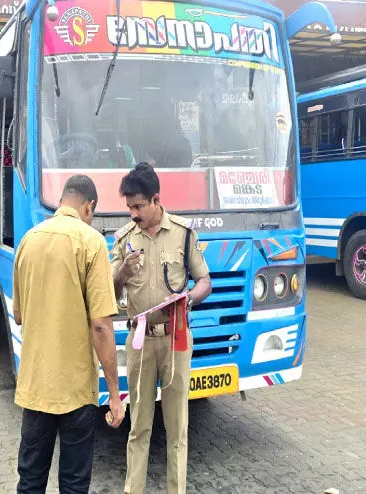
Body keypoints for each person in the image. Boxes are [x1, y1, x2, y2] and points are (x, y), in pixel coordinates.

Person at [12, 174, 124, 493]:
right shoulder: (91, 242)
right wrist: (114, 394)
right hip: (75, 390)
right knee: (74, 482)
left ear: (61, 202)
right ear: (89, 207)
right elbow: (101, 325)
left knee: (31, 478)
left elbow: (19, 315)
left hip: (34, 386)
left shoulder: (28, 240)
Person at [111, 163, 212, 494]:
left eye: (138, 206)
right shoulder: (125, 239)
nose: (133, 214)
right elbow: (111, 293)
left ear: (156, 200)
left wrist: (189, 300)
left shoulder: (183, 233)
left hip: (176, 340)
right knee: (139, 426)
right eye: (129, 207)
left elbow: (205, 281)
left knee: (177, 428)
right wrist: (122, 272)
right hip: (140, 341)